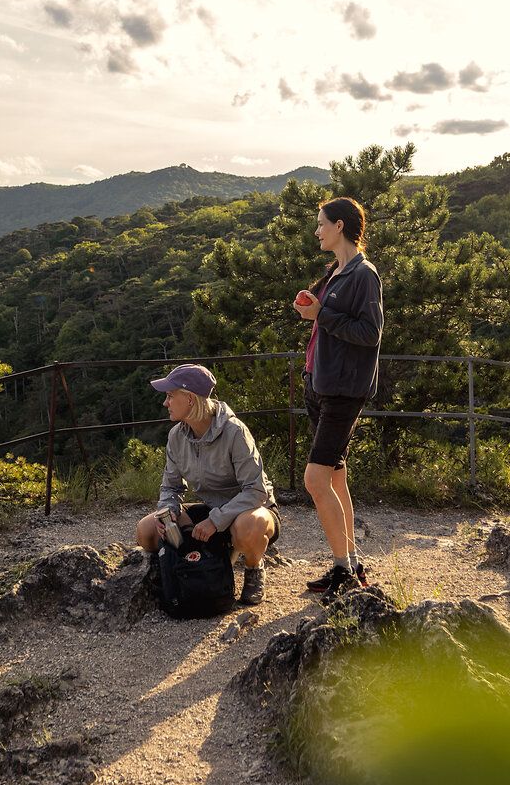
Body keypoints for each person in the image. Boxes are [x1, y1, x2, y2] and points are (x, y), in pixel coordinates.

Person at [293, 196, 383, 597]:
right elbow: (330, 323)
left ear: (340, 226)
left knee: (315, 480)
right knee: (335, 477)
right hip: (320, 383)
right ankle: (350, 565)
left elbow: (370, 333)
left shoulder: (364, 274)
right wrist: (313, 307)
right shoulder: (337, 271)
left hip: (344, 391)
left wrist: (321, 315)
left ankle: (345, 570)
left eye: (321, 223)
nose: (317, 231)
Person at [135, 363, 280, 606]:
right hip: (211, 510)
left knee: (247, 527)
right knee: (146, 531)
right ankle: (208, 561)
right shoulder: (176, 436)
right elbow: (171, 487)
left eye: (170, 396)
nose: (165, 403)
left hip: (249, 510)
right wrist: (167, 511)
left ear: (190, 399)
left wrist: (216, 521)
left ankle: (254, 568)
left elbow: (256, 491)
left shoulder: (235, 432)